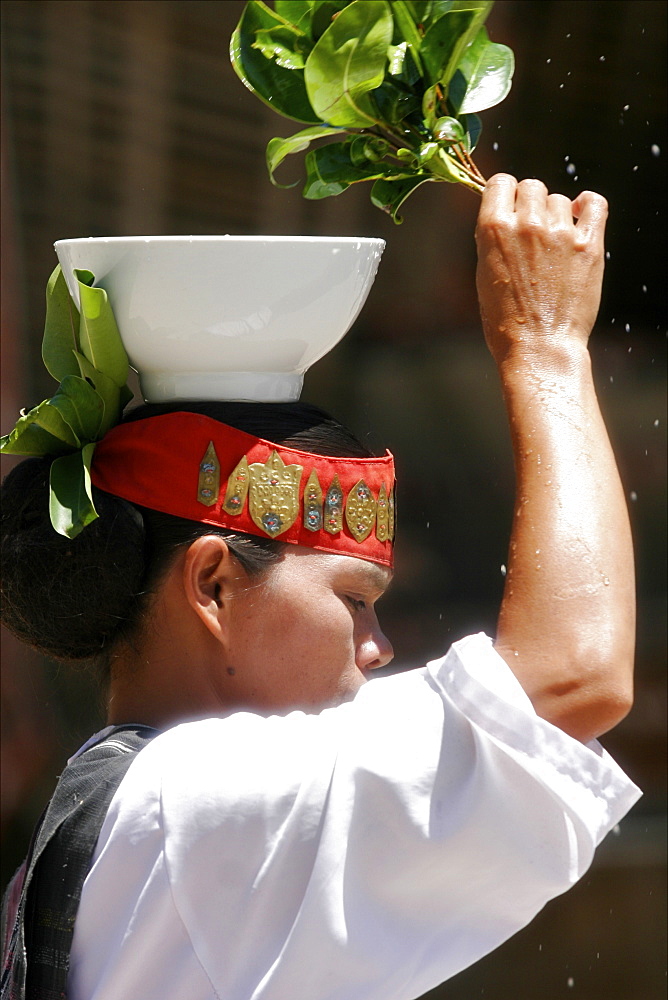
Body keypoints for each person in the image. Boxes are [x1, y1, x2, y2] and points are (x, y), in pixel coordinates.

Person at [1, 175, 641, 1000]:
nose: (379, 649)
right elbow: (574, 676)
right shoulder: (196, 807)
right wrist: (546, 347)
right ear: (215, 585)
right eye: (354, 600)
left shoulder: (139, 817)